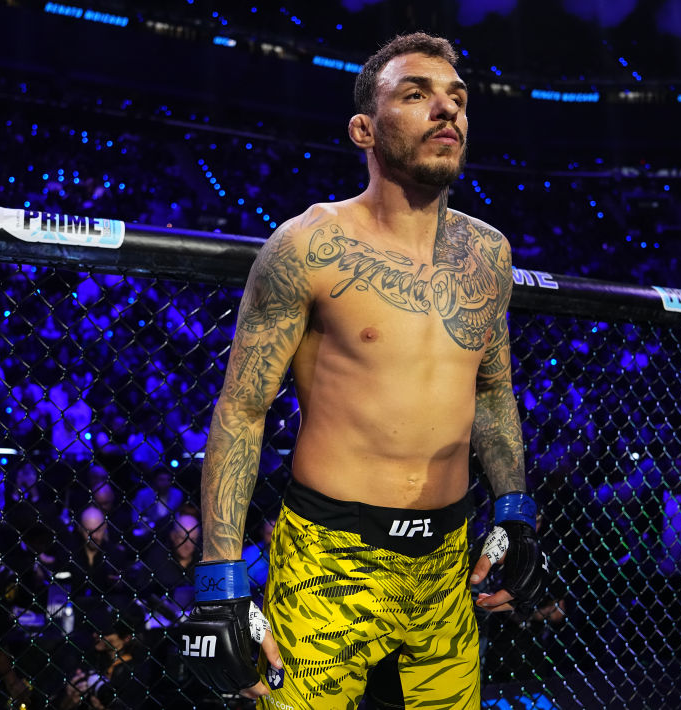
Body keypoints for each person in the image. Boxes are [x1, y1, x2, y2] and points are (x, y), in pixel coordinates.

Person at [179, 32, 548, 709]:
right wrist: (220, 579)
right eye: (417, 95)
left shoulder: (489, 253)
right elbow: (241, 409)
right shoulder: (309, 245)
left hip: (448, 562)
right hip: (329, 556)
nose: (447, 111)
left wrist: (515, 510)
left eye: (457, 99)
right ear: (364, 129)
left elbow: (493, 389)